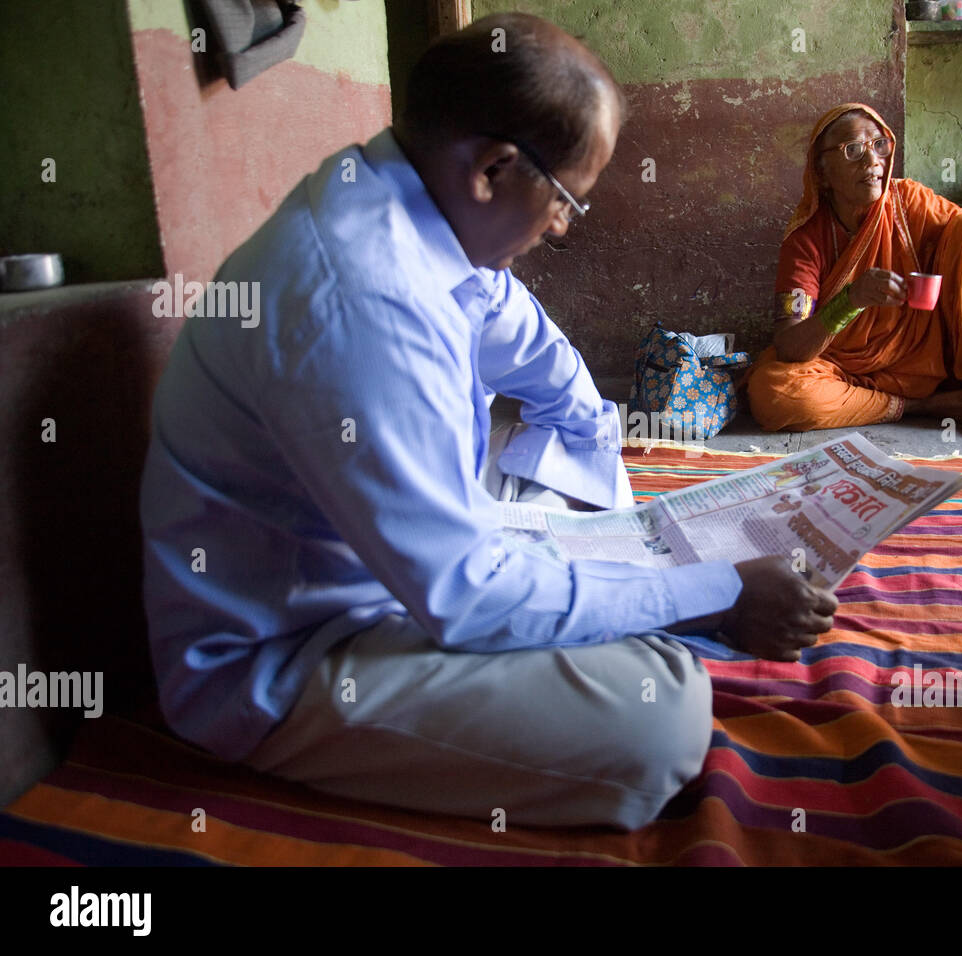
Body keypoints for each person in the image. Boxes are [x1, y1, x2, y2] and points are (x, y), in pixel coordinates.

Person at [138, 13, 837, 831]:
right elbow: (466, 597)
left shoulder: (415, 206)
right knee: (659, 720)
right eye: (570, 200)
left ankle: (602, 602)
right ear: (496, 170)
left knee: (581, 465)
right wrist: (716, 592)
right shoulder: (366, 298)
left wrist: (600, 467)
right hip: (293, 653)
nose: (562, 227)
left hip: (398, 568)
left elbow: (543, 359)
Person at [746, 103, 962, 441]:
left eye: (879, 145)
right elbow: (790, 346)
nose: (872, 161)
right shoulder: (806, 240)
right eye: (852, 150)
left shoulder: (910, 203)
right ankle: (917, 406)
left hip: (931, 361)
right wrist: (851, 300)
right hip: (844, 374)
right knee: (772, 393)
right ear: (821, 173)